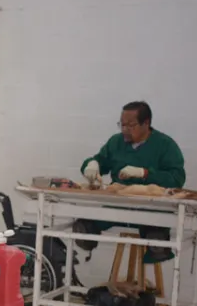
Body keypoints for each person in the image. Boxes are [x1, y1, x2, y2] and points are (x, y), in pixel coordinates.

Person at [74, 101, 186, 263]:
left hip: (151, 209)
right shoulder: (116, 142)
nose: (125, 130)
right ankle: (87, 232)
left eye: (130, 126)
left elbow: (176, 179)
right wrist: (91, 165)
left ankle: (156, 244)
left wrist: (145, 173)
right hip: (117, 205)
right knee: (84, 226)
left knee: (156, 236)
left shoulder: (165, 145)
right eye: (122, 125)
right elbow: (100, 161)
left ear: (146, 123)